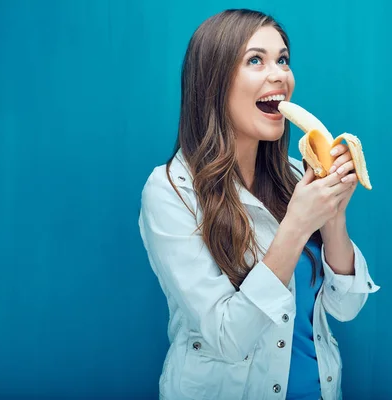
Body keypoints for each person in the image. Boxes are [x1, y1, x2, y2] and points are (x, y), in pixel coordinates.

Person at [138, 8, 379, 400]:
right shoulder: (169, 190)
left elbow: (346, 306)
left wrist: (333, 212)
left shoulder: (297, 174)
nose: (280, 75)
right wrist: (297, 225)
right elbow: (227, 338)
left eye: (283, 59)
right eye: (256, 60)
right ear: (214, 82)